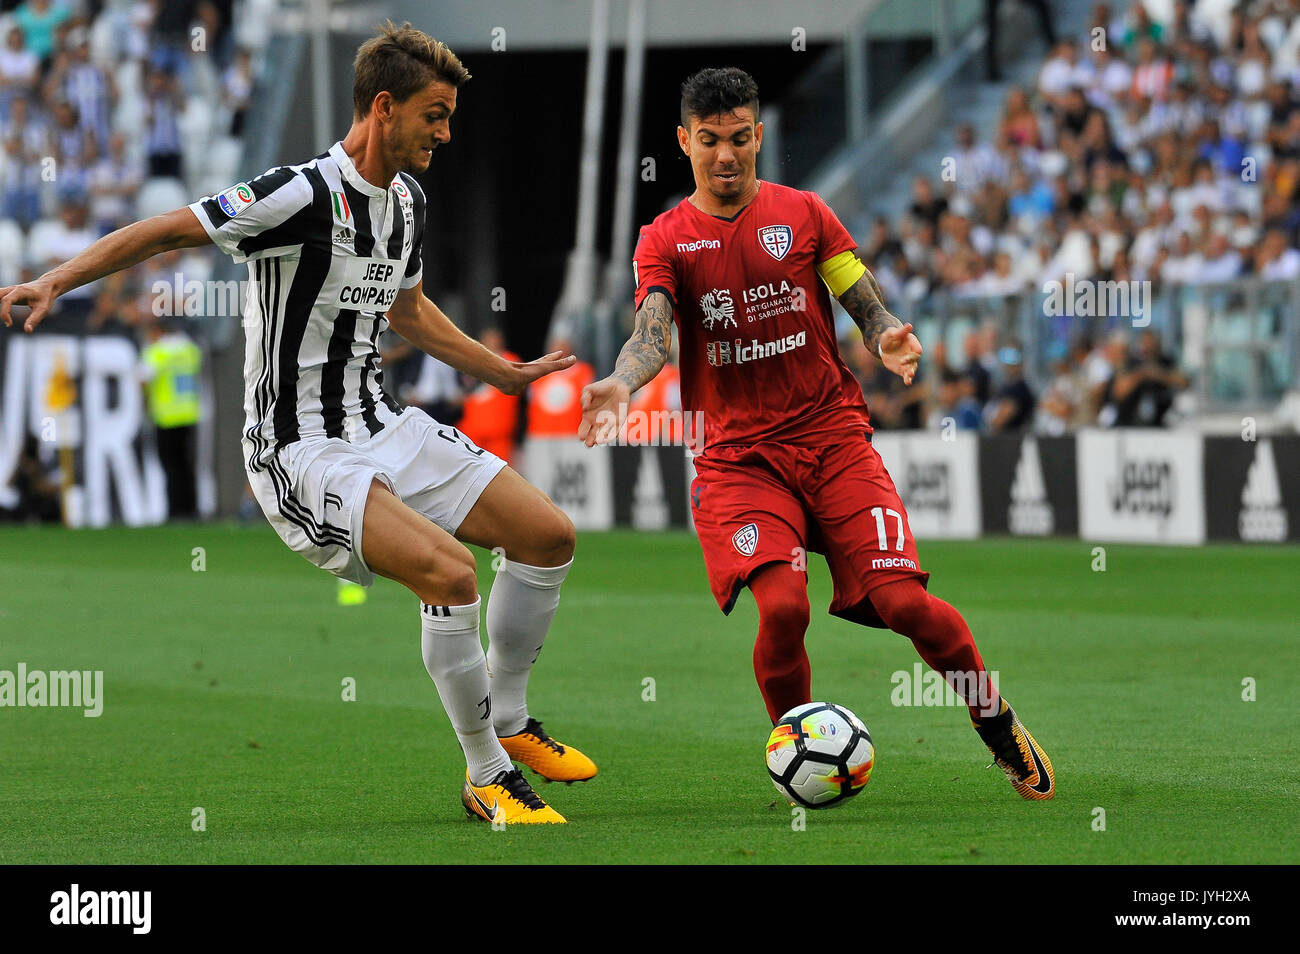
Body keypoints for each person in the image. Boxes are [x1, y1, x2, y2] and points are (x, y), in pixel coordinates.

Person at [2, 21, 594, 824]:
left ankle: (514, 720)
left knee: (547, 535)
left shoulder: (409, 202)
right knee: (451, 575)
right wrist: (54, 280)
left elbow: (409, 309)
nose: (446, 133)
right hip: (297, 447)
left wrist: (504, 371)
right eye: (435, 114)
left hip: (380, 422)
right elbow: (168, 229)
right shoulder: (296, 194)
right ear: (384, 107)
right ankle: (486, 773)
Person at [580, 67, 1054, 800]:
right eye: (709, 142)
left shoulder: (804, 214)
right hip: (739, 461)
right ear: (684, 142)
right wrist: (622, 379)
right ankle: (797, 750)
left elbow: (858, 295)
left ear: (760, 136)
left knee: (905, 606)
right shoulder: (665, 238)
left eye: (739, 138)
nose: (726, 156)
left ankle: (996, 723)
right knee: (785, 607)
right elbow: (653, 327)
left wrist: (888, 331)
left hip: (833, 439)